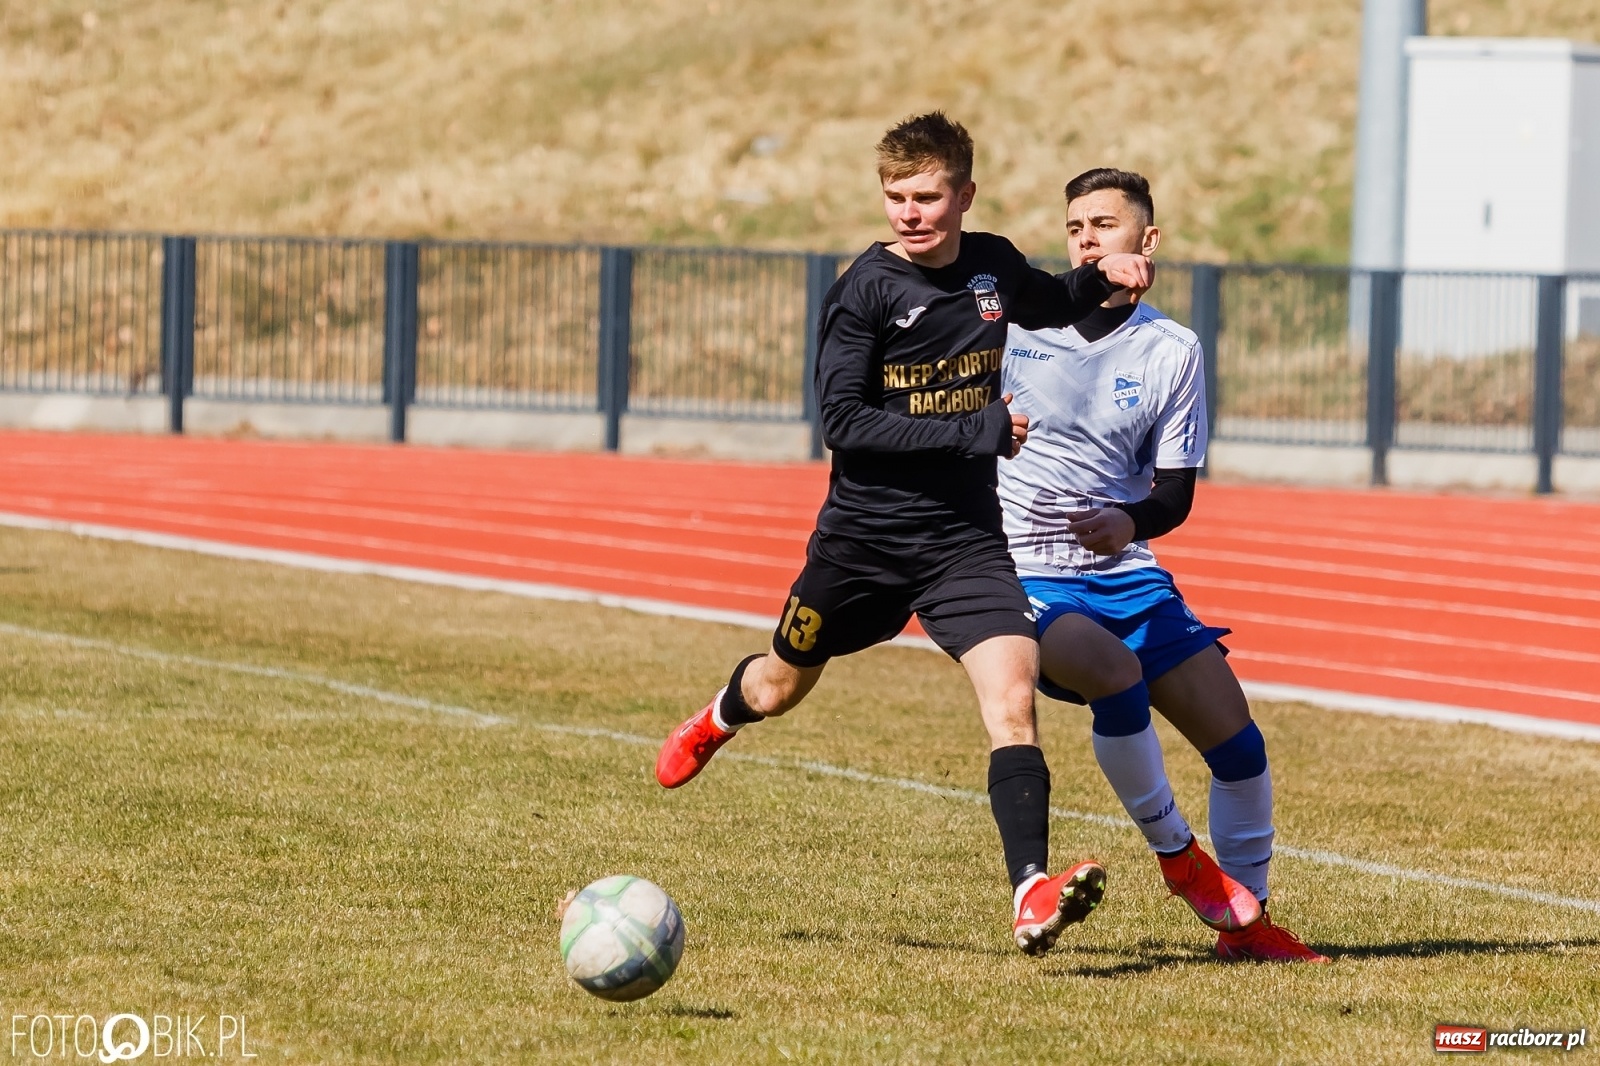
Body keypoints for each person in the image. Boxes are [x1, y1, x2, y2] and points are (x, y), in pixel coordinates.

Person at [654, 113, 1153, 956]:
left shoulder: (991, 264)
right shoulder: (865, 290)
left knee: (1013, 704)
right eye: (895, 197)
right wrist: (977, 431)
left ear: (964, 194)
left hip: (963, 541)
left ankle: (1030, 893)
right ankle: (717, 717)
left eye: (927, 196)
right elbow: (844, 424)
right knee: (779, 686)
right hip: (862, 544)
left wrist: (1107, 275)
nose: (909, 213)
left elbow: (1048, 300)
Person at [997, 167, 1327, 963]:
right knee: (1113, 673)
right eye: (1076, 226)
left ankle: (1248, 930)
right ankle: (1182, 860)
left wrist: (1129, 521)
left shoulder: (1174, 350)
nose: (1086, 238)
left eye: (1104, 225)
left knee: (1240, 750)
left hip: (1129, 574)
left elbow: (1175, 495)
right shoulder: (1013, 328)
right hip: (1028, 574)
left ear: (1147, 242)